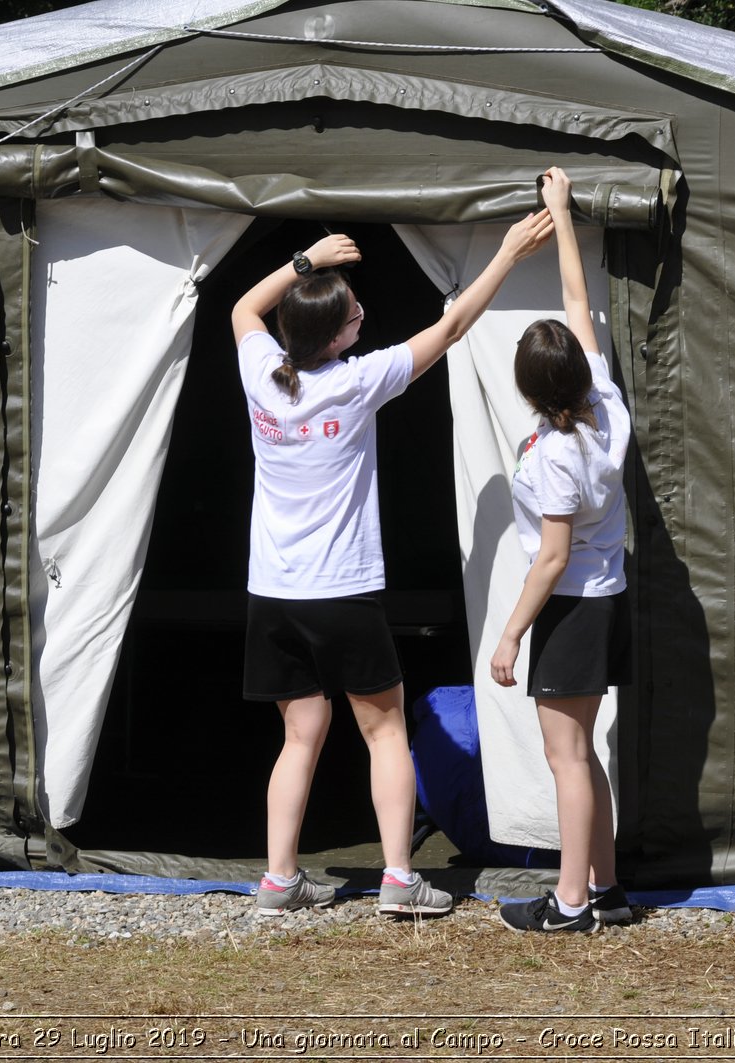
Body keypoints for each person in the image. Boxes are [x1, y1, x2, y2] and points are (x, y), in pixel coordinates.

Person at [234, 214, 554, 917]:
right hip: (341, 591)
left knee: (298, 736)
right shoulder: (356, 382)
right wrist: (503, 252)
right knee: (383, 731)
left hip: (274, 593)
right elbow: (453, 326)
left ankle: (279, 879)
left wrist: (306, 261)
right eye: (355, 314)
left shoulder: (264, 375)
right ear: (340, 336)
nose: (364, 315)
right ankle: (400, 879)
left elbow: (241, 308)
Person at [489, 167, 634, 934]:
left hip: (573, 605)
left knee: (566, 758)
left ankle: (570, 904)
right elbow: (579, 300)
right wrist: (562, 212)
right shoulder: (603, 399)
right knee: (584, 751)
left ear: (532, 392)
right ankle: (603, 887)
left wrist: (512, 631)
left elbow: (549, 557)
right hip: (606, 595)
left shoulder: (555, 454)